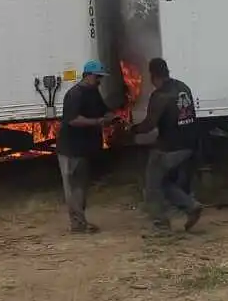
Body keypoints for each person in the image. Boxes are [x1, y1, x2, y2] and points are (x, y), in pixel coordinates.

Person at [130, 58, 203, 234]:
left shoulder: (160, 95)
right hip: (189, 145)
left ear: (153, 76)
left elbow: (149, 125)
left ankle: (161, 226)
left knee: (152, 186)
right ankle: (191, 206)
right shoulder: (183, 87)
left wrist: (132, 130)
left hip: (170, 148)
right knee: (165, 182)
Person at [57, 60, 119, 234]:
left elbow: (103, 110)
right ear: (89, 75)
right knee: (72, 188)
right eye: (98, 77)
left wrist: (110, 116)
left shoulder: (93, 92)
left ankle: (80, 222)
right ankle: (77, 225)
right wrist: (97, 122)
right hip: (70, 149)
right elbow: (73, 119)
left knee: (80, 187)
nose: (100, 80)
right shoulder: (74, 95)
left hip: (84, 149)